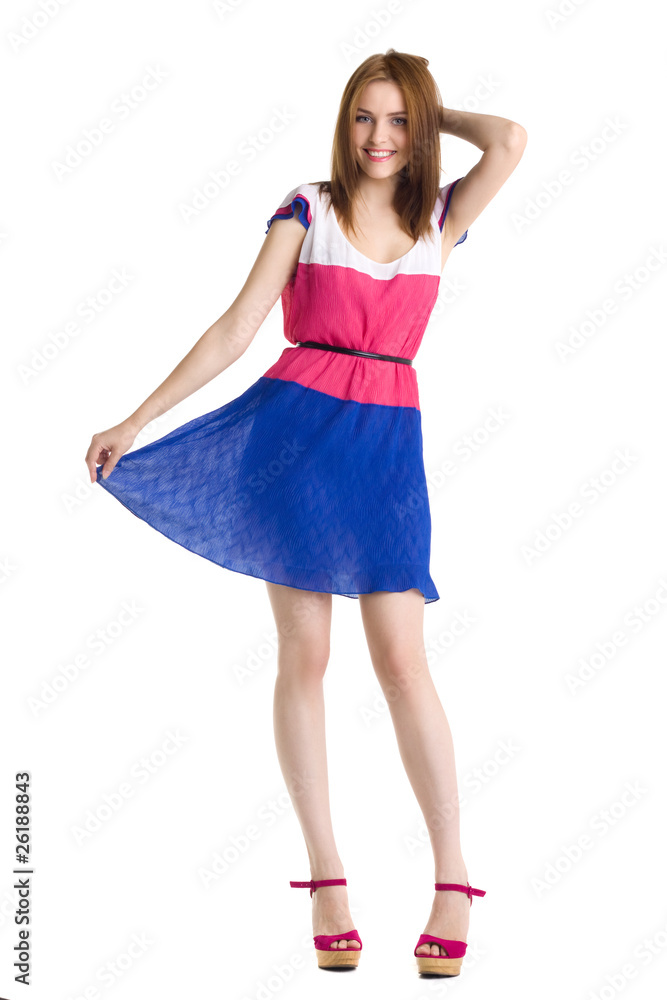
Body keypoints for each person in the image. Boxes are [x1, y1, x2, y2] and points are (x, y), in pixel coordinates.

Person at [84, 48, 526, 975]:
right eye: (365, 118)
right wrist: (136, 418)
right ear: (343, 123)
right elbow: (237, 327)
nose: (378, 138)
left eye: (397, 121)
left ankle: (453, 877)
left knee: (404, 662)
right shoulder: (305, 208)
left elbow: (511, 140)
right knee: (308, 654)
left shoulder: (439, 219)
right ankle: (327, 876)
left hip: (386, 454)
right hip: (292, 445)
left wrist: (429, 110)